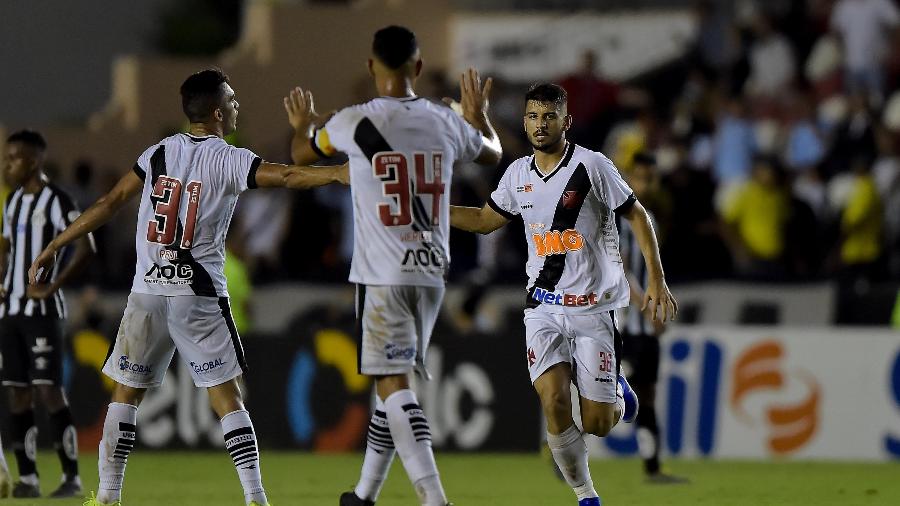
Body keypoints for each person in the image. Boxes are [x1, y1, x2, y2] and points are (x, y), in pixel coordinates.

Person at [28, 68, 348, 506]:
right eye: (232, 101)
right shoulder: (228, 157)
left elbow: (109, 203)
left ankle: (106, 495)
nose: (237, 106)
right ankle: (256, 497)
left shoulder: (158, 153)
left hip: (147, 292)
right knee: (227, 396)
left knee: (126, 394)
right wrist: (336, 174)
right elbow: (288, 176)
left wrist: (56, 244)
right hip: (196, 293)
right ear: (217, 113)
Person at [284, 25, 501, 506]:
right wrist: (480, 117)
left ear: (370, 66)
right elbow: (493, 152)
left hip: (382, 272)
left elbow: (302, 153)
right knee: (391, 382)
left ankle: (434, 498)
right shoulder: (444, 121)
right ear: (418, 68)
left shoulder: (355, 120)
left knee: (392, 383)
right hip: (430, 269)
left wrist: (304, 123)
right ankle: (363, 495)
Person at [449, 83, 677, 506]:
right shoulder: (517, 174)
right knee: (553, 400)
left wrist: (657, 280)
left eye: (549, 116)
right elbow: (484, 221)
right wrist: (431, 211)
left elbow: (638, 215)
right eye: (533, 116)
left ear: (566, 121)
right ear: (524, 121)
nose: (540, 124)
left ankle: (618, 393)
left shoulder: (593, 166)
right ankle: (586, 495)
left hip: (593, 309)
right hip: (544, 307)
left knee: (598, 423)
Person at [0, 130, 95, 498]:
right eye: (7, 158)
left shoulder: (57, 200)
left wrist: (53, 286)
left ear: (34, 160)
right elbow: (6, 247)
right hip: (11, 311)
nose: (8, 165)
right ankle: (28, 479)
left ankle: (71, 478)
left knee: (49, 391)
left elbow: (86, 247)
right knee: (17, 394)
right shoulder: (12, 203)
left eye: (14, 159)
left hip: (42, 312)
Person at [617, 153, 687, 484]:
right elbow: (617, 267)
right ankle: (562, 444)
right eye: (640, 177)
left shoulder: (651, 219)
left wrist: (655, 308)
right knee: (611, 391)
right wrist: (644, 305)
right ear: (629, 177)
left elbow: (653, 272)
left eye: (650, 178)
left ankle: (652, 467)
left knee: (647, 393)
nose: (645, 184)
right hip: (620, 322)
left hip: (645, 325)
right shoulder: (615, 216)